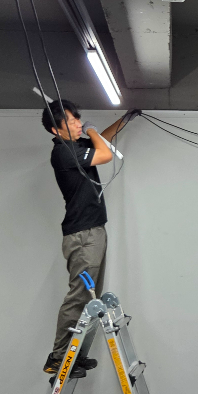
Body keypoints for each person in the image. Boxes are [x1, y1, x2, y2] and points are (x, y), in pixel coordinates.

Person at [40, 99, 137, 376]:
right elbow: (105, 155)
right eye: (71, 121)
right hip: (82, 235)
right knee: (80, 296)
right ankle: (59, 357)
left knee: (90, 297)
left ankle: (75, 355)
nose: (79, 124)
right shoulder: (63, 152)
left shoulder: (76, 147)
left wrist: (124, 120)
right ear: (56, 130)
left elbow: (101, 141)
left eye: (78, 119)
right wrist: (91, 130)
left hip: (93, 231)